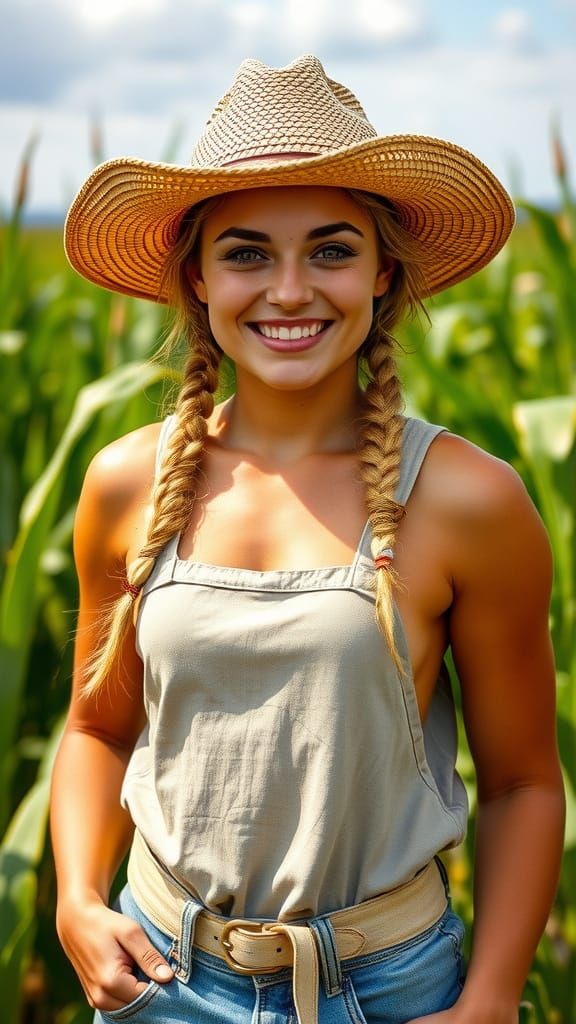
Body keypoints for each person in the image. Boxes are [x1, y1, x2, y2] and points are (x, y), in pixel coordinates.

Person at [50, 55, 564, 1024]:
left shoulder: (468, 499)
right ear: (197, 277)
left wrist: (491, 998)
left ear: (383, 271)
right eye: (247, 253)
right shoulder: (125, 480)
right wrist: (78, 899)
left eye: (331, 250)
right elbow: (95, 726)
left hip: (393, 989)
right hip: (157, 980)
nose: (290, 289)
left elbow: (525, 780)